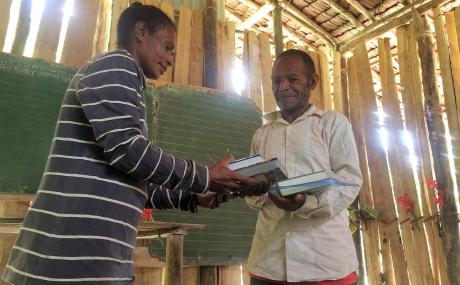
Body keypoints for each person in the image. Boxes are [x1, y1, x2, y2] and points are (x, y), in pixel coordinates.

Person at [3, 3, 267, 284]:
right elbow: (127, 151)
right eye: (167, 47)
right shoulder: (117, 64)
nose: (170, 59)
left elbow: (134, 180)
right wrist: (205, 177)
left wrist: (193, 194)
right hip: (64, 265)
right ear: (141, 31)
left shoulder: (129, 85)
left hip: (97, 264)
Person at [245, 49, 363, 285]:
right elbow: (251, 186)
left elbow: (349, 181)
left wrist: (306, 203)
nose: (283, 87)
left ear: (313, 81)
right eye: (276, 81)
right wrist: (256, 190)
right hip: (269, 265)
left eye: (292, 79)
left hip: (324, 265)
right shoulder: (262, 134)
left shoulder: (333, 124)